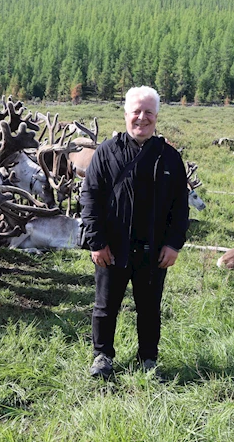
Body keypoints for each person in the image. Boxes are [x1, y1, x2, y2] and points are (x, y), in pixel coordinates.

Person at [80, 85, 190, 380]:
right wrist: (97, 242)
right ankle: (102, 356)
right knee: (105, 306)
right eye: (136, 112)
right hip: (112, 248)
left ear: (157, 116)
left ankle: (148, 359)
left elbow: (180, 207)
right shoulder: (105, 153)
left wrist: (173, 244)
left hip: (154, 250)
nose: (142, 118)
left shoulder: (169, 157)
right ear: (126, 114)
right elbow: (89, 198)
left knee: (150, 308)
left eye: (149, 113)